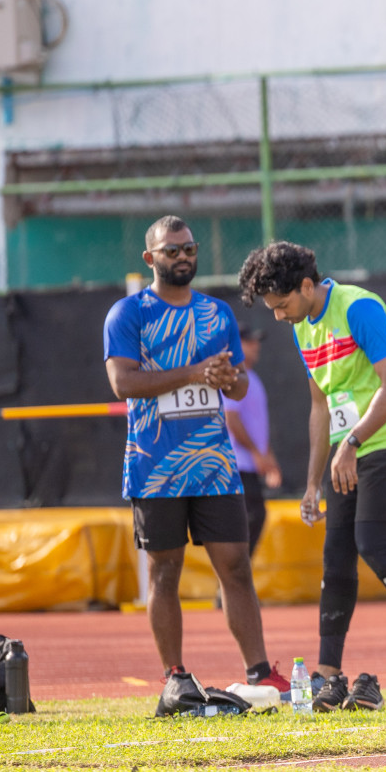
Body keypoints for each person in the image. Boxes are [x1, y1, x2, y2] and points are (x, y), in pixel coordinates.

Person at [237, 242, 386, 712]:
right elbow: (320, 406)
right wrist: (311, 482)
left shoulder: (359, 307)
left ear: (307, 286)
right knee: (336, 555)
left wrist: (351, 444)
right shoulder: (302, 328)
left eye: (282, 305)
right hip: (353, 449)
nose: (280, 317)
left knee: (371, 544)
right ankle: (329, 675)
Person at [102, 215, 289, 716]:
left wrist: (229, 380)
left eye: (189, 248)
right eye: (171, 250)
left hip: (213, 463)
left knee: (236, 566)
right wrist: (193, 372)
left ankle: (259, 672)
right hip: (155, 464)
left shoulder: (217, 313)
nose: (183, 257)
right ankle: (175, 678)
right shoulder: (128, 315)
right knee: (166, 569)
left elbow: (240, 385)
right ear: (150, 259)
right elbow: (123, 384)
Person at [223, 327, 281, 557]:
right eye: (248, 342)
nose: (255, 346)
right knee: (248, 520)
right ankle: (231, 585)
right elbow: (232, 419)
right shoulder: (233, 376)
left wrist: (268, 457)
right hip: (236, 465)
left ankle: (233, 584)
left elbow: (258, 425)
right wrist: (258, 453)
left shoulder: (252, 378)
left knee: (253, 519)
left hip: (249, 464)